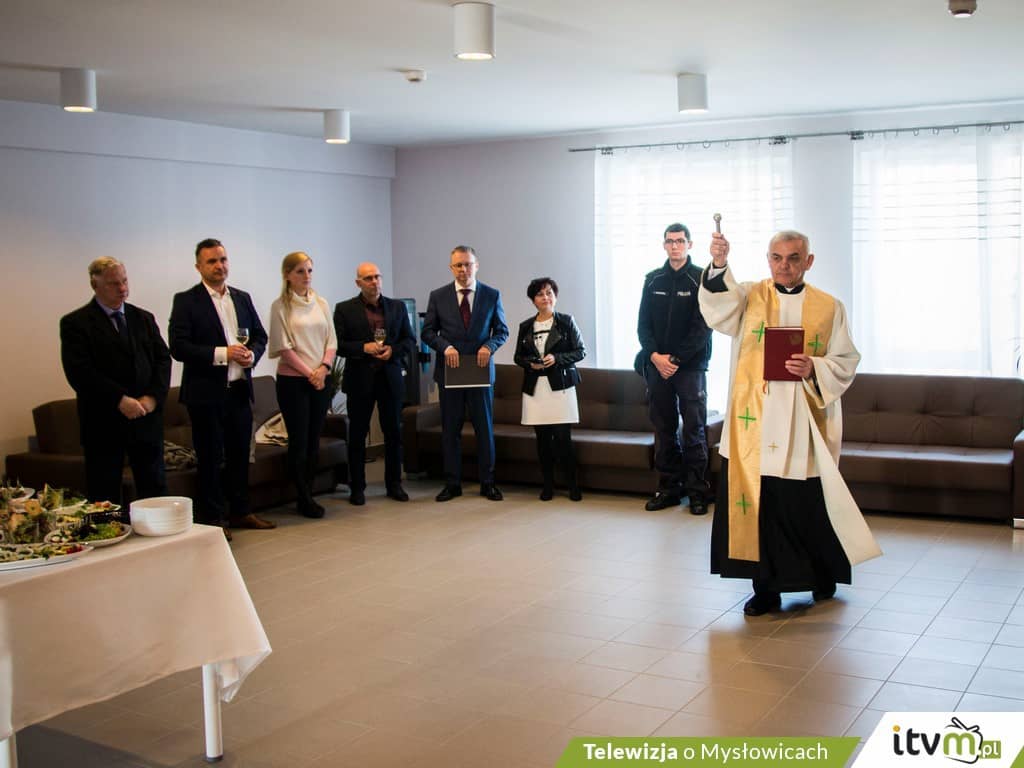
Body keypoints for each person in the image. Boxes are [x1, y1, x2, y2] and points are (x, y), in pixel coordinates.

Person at [699, 229, 880, 616]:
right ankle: (765, 590)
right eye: (777, 257)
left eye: (793, 258)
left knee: (805, 507)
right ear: (768, 259)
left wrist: (814, 367)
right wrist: (718, 263)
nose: (784, 265)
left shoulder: (829, 307)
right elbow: (718, 308)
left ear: (808, 261)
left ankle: (821, 576)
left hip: (803, 424)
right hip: (754, 422)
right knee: (760, 509)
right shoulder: (749, 297)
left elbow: (846, 360)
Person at [168, 238, 273, 539]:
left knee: (240, 456)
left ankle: (241, 511)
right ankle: (213, 518)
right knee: (211, 458)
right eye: (212, 261)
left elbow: (260, 336)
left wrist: (252, 355)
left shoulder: (241, 297)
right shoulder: (187, 300)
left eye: (223, 259)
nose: (219, 266)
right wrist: (222, 353)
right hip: (205, 394)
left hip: (239, 389)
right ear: (199, 266)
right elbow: (178, 346)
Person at [59, 257, 171, 505]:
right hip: (104, 421)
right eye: (113, 284)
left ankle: (156, 530)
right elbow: (80, 372)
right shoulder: (76, 323)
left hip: (145, 418)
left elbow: (163, 360)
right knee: (105, 493)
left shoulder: (143, 318)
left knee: (154, 488)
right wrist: (119, 399)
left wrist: (153, 398)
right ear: (95, 285)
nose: (122, 288)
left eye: (125, 281)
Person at [636, 223, 713, 515]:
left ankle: (697, 493)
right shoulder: (652, 279)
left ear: (689, 244)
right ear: (664, 245)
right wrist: (655, 356)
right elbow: (643, 325)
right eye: (670, 241)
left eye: (680, 241)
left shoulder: (701, 279)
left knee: (694, 431)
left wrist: (676, 360)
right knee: (664, 430)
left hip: (691, 368)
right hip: (657, 366)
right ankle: (669, 489)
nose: (675, 246)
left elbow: (703, 326)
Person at [421, 245, 509, 502]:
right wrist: (445, 347)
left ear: (476, 265)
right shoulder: (438, 296)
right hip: (450, 372)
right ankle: (452, 484)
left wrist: (488, 346)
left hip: (480, 372)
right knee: (451, 431)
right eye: (458, 265)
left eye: (468, 264)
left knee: (484, 430)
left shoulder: (492, 295)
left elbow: (502, 331)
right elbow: (427, 332)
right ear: (451, 268)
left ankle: (488, 483)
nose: (463, 269)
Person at [333, 262, 415, 506]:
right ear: (358, 282)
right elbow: (337, 344)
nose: (374, 282)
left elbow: (409, 340)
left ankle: (394, 484)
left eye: (377, 277)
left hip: (390, 378)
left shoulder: (397, 307)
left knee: (393, 433)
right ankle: (357, 487)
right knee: (358, 435)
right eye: (368, 278)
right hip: (360, 380)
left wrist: (393, 351)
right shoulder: (344, 309)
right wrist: (363, 347)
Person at [267, 252, 337, 518]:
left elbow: (331, 341)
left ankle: (309, 491)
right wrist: (311, 373)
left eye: (309, 270)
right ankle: (302, 497)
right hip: (293, 382)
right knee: (299, 440)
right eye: (300, 271)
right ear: (287, 275)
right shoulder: (280, 307)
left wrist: (324, 369)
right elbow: (284, 348)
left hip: (321, 379)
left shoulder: (321, 303)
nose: (306, 276)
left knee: (313, 440)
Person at [513, 277, 586, 501]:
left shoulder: (566, 321)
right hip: (536, 388)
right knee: (543, 440)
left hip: (561, 387)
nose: (545, 298)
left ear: (555, 297)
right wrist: (530, 363)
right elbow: (518, 357)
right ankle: (547, 486)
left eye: (549, 293)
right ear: (533, 300)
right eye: (540, 294)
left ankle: (573, 485)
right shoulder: (526, 326)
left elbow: (580, 351)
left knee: (563, 439)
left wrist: (557, 358)